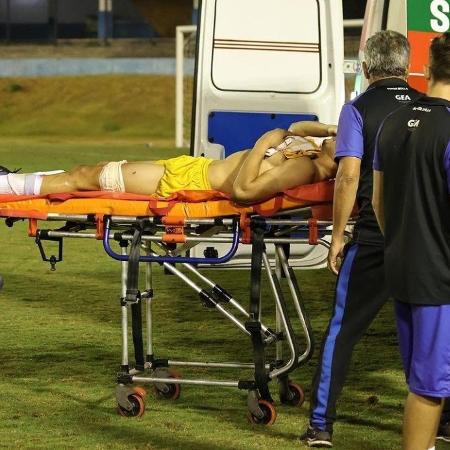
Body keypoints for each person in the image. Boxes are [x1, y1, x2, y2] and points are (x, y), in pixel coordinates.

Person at [300, 30, 425, 447]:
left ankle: (321, 425)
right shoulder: (432, 110)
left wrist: (337, 236)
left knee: (343, 330)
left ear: (366, 67)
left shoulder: (358, 110)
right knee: (429, 334)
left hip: (374, 239)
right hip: (424, 243)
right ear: (407, 67)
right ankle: (438, 422)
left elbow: (349, 175)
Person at [372, 33, 450, 450]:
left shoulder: (392, 121)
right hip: (440, 281)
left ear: (428, 68)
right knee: (429, 386)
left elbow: (379, 203)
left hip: (403, 268)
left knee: (426, 378)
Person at [0, 122, 337, 204]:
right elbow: (295, 128)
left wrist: (265, 142)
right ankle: (14, 181)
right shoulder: (310, 148)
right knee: (95, 169)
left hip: (193, 182)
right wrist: (330, 129)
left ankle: (7, 186)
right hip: (192, 168)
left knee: (87, 176)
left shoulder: (306, 167)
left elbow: (245, 192)